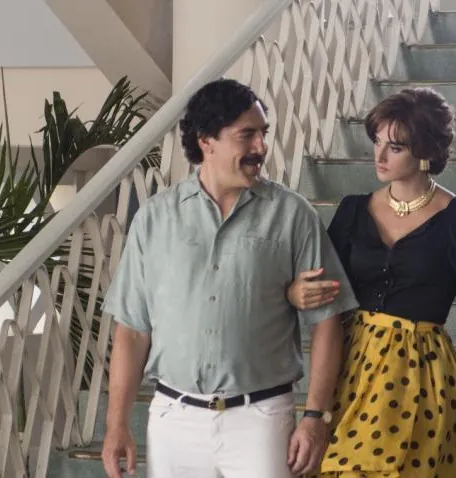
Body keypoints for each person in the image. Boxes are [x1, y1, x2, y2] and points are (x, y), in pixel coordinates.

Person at [100, 78, 359, 478]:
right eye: (247, 135)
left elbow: (326, 323)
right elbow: (132, 331)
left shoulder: (293, 215)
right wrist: (117, 423)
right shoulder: (155, 218)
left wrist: (315, 417)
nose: (261, 146)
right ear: (206, 140)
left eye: (263, 133)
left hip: (261, 418)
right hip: (173, 421)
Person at [287, 87, 456, 476]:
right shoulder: (352, 211)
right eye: (377, 142)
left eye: (395, 147)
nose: (379, 156)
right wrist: (295, 292)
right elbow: (326, 295)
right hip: (352, 369)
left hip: (420, 372)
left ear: (426, 153)